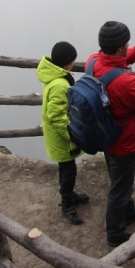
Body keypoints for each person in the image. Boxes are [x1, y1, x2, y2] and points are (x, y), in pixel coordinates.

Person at [85, 21, 135, 247]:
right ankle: (115, 234)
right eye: (127, 44)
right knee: (119, 189)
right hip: (123, 141)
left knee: (119, 180)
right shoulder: (125, 82)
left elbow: (115, 62)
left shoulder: (93, 61)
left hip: (105, 133)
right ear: (121, 46)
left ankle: (128, 211)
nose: (129, 46)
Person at [36, 41, 90, 225]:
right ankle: (67, 204)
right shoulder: (60, 84)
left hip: (57, 135)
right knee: (68, 171)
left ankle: (69, 195)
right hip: (62, 138)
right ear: (67, 62)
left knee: (66, 169)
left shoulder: (54, 77)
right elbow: (57, 115)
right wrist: (71, 134)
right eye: (72, 61)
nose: (74, 64)